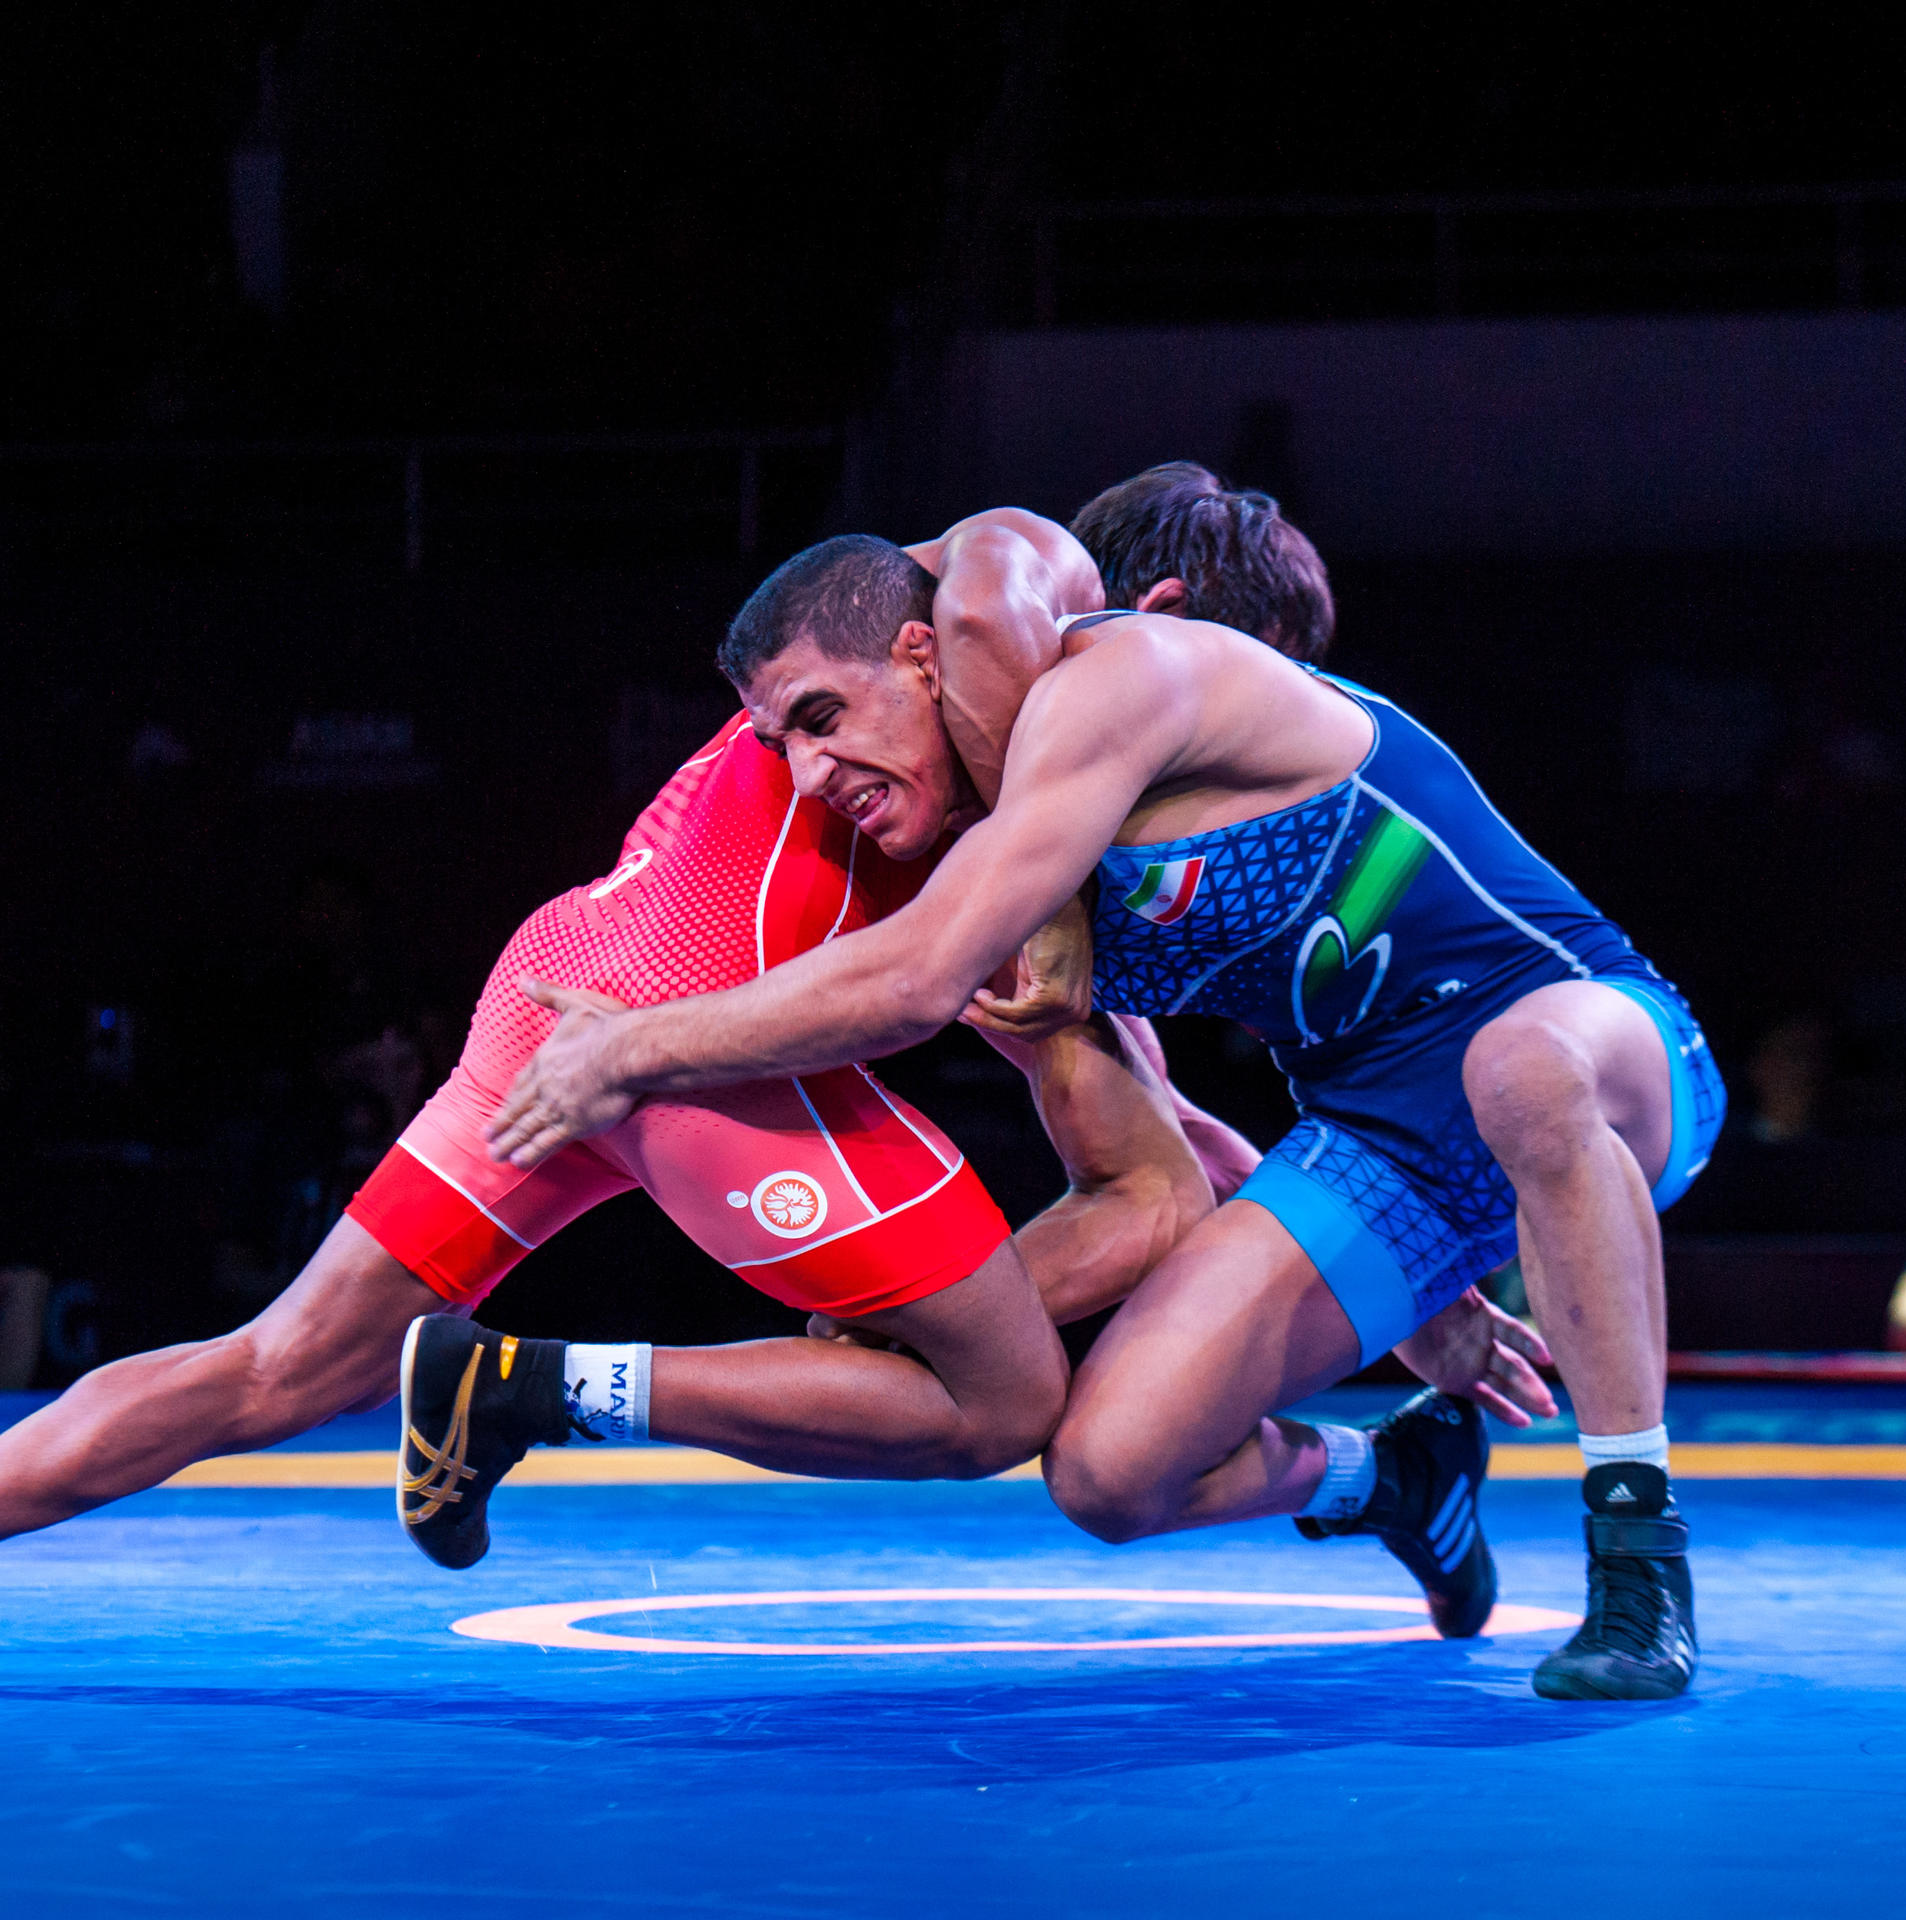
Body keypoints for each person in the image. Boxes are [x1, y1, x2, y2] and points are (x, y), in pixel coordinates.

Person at [489, 496, 1726, 1701]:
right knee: (1105, 1470)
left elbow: (977, 568)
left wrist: (636, 1047)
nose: (812, 777)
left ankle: (1637, 1559)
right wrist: (1425, 1297)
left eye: (823, 718)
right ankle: (1394, 1478)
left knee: (1517, 1073)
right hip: (1387, 1149)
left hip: (1591, 1033)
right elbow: (1167, 1142)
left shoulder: (1121, 670)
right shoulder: (1027, 839)